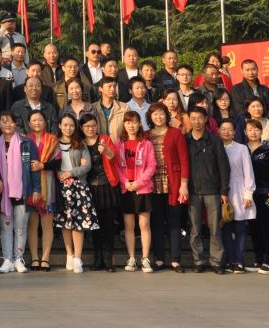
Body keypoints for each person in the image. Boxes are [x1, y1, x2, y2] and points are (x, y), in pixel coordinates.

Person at [184, 105, 229, 273]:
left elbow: (224, 166)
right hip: (192, 190)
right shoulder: (185, 140)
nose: (196, 121)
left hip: (213, 190)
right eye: (193, 118)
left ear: (206, 119)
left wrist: (224, 190)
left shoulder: (215, 140)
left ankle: (217, 262)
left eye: (200, 118)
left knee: (215, 228)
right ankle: (198, 261)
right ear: (189, 119)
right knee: (195, 229)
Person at [146, 102, 189, 272]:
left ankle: (175, 260)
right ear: (150, 117)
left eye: (161, 113)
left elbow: (184, 160)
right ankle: (158, 259)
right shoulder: (146, 135)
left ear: (167, 115)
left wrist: (183, 184)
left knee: (174, 222)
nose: (159, 117)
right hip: (152, 185)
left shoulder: (175, 133)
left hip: (173, 183)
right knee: (156, 223)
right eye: (155, 114)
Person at [0, 111, 37, 274]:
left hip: (22, 190)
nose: (7, 125)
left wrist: (36, 189)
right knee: (6, 228)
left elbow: (34, 168)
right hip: (3, 193)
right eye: (4, 121)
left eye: (11, 122)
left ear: (16, 124)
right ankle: (7, 259)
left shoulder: (26, 142)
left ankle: (18, 258)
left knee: (21, 228)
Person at [53, 113, 96, 273]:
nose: (68, 128)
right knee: (65, 224)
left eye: (71, 125)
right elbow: (50, 163)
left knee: (78, 224)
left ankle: (78, 258)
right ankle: (69, 254)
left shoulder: (80, 144)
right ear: (59, 126)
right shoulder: (54, 143)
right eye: (65, 125)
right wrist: (59, 174)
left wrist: (71, 173)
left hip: (78, 187)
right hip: (61, 188)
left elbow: (87, 166)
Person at [114, 110, 155, 273]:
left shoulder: (146, 143)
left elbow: (151, 166)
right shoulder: (119, 143)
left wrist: (138, 183)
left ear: (139, 124)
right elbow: (116, 165)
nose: (131, 125)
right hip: (126, 188)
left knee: (144, 225)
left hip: (143, 189)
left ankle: (145, 258)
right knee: (129, 226)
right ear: (124, 124)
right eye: (128, 122)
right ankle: (131, 258)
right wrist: (125, 182)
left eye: (134, 122)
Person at [80, 113, 119, 272]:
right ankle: (97, 258)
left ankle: (108, 259)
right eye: (87, 126)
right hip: (89, 188)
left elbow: (115, 159)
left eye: (93, 126)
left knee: (108, 225)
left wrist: (107, 151)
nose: (91, 129)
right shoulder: (80, 143)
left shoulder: (105, 139)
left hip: (106, 185)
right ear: (82, 128)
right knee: (94, 225)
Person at [217, 117, 256, 273]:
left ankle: (238, 261)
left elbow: (248, 172)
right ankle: (229, 259)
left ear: (234, 132)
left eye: (230, 129)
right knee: (225, 227)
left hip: (239, 191)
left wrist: (248, 194)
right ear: (218, 131)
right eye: (223, 129)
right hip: (221, 192)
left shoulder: (241, 148)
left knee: (240, 228)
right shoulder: (216, 147)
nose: (226, 132)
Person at [244, 118, 269, 272]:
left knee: (267, 228)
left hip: (265, 193)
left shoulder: (267, 150)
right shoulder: (242, 149)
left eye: (256, 129)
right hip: (248, 195)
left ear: (261, 132)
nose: (253, 132)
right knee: (254, 228)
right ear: (245, 132)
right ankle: (258, 259)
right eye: (250, 130)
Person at [25, 111, 59, 270]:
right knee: (32, 224)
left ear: (45, 122)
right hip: (30, 184)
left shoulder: (53, 139)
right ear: (29, 123)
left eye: (40, 119)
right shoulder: (25, 140)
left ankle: (45, 258)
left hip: (49, 184)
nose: (37, 122)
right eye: (34, 120)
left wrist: (42, 165)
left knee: (47, 224)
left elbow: (58, 161)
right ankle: (34, 257)